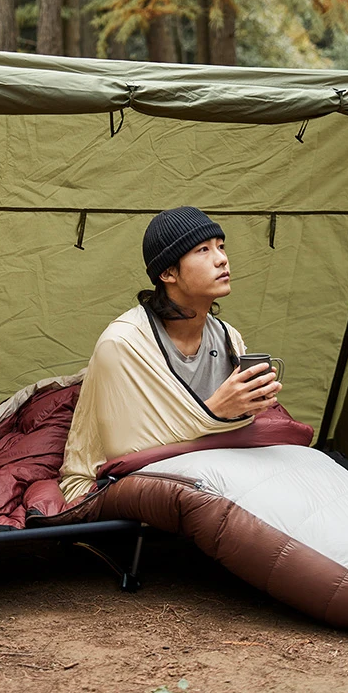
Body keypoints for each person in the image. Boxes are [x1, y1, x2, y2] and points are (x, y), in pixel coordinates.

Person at [58, 206, 282, 502]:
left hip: (208, 469)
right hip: (111, 481)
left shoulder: (229, 338)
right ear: (167, 272)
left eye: (221, 246)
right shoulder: (124, 343)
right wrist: (215, 411)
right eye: (203, 249)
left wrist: (250, 406)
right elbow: (126, 451)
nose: (222, 259)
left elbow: (229, 431)